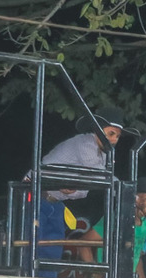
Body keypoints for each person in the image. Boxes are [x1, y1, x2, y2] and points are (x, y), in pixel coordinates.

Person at [30, 106, 129, 267]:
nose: (114, 140)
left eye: (117, 136)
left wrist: (72, 188)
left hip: (55, 203)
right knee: (32, 249)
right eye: (111, 133)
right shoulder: (86, 142)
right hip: (35, 197)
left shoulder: (102, 154)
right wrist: (125, 189)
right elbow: (97, 174)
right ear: (97, 130)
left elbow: (84, 190)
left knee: (52, 252)